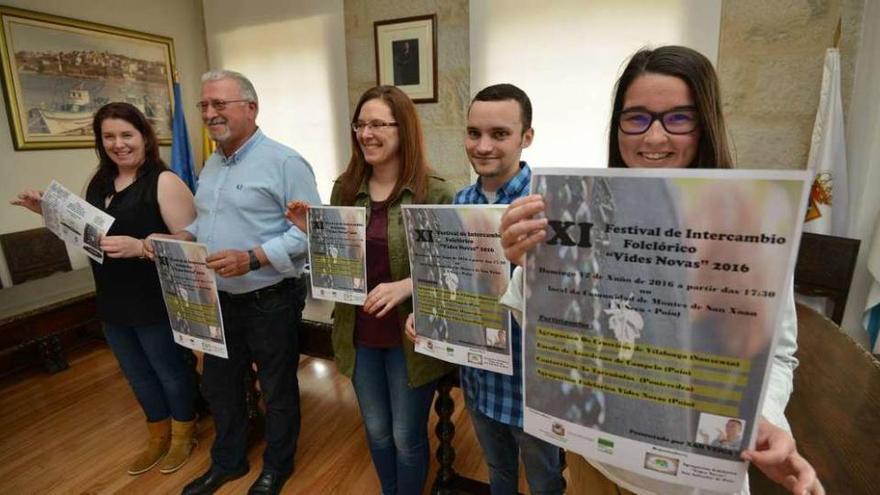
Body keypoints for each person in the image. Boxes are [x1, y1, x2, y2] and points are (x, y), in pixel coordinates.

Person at [497, 46, 824, 495]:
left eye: (677, 118)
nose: (653, 138)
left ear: (705, 124)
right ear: (618, 127)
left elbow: (778, 354)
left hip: (698, 477)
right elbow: (541, 327)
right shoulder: (585, 210)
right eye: (636, 118)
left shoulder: (745, 226)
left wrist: (762, 418)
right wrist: (526, 267)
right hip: (600, 463)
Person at [11, 102, 198, 476]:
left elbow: (191, 241)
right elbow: (87, 234)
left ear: (144, 137)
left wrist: (141, 246)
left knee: (169, 370)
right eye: (109, 136)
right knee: (136, 372)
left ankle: (183, 435)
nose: (118, 144)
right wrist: (44, 211)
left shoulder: (164, 181)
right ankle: (157, 433)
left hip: (155, 297)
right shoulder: (97, 182)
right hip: (112, 298)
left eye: (126, 135)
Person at [287, 85, 455, 495]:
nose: (366, 133)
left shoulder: (435, 192)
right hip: (358, 333)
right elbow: (341, 265)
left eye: (378, 123)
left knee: (405, 435)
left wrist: (407, 285)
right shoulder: (344, 188)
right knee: (377, 432)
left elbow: (452, 272)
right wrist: (315, 235)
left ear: (404, 130)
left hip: (409, 339)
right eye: (360, 124)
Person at [160, 69, 321, 495]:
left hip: (270, 299)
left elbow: (312, 233)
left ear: (251, 108)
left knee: (277, 389)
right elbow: (208, 224)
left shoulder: (285, 162)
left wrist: (252, 258)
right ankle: (227, 463)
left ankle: (277, 467)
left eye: (219, 104)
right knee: (221, 389)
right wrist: (181, 240)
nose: (210, 113)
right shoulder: (212, 162)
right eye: (204, 106)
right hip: (219, 300)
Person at [407, 83, 566, 494]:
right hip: (479, 377)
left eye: (499, 134)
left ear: (526, 137)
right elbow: (452, 280)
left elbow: (568, 306)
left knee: (545, 479)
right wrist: (426, 313)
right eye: (473, 133)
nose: (483, 145)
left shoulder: (548, 206)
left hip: (532, 386)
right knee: (498, 473)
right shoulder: (461, 200)